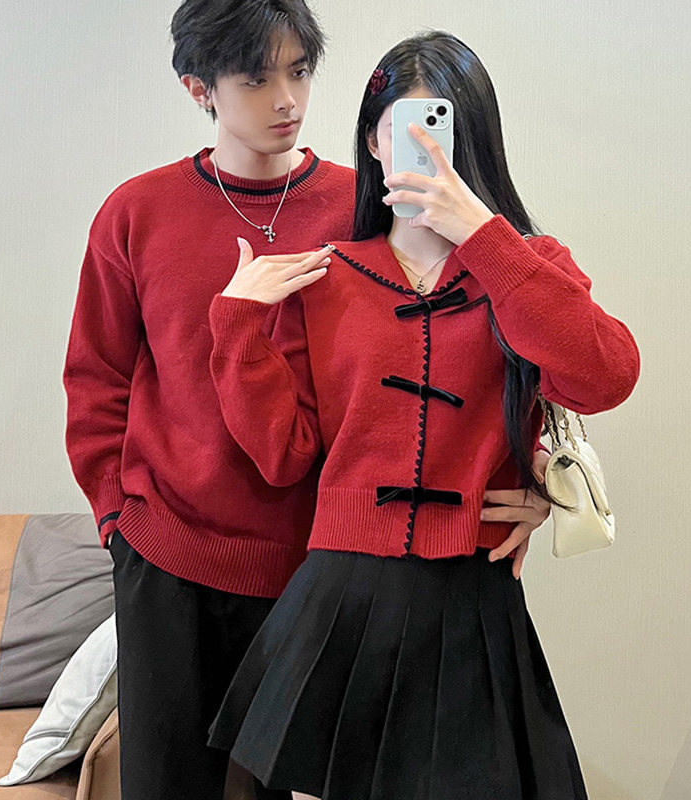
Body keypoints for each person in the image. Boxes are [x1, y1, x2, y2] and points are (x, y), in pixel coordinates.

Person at [205, 30, 641, 800]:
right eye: (405, 130)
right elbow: (284, 456)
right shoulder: (326, 277)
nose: (427, 151)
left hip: (473, 597)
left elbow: (605, 377)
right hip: (342, 599)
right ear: (374, 141)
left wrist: (485, 241)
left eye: (445, 131)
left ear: (477, 141)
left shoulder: (527, 265)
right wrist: (237, 327)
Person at [62, 2, 356, 798]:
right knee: (164, 784)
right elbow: (96, 377)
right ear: (200, 90)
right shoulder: (137, 212)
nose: (287, 100)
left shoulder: (360, 210)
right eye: (256, 80)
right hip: (167, 557)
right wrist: (117, 521)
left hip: (312, 563)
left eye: (299, 72)